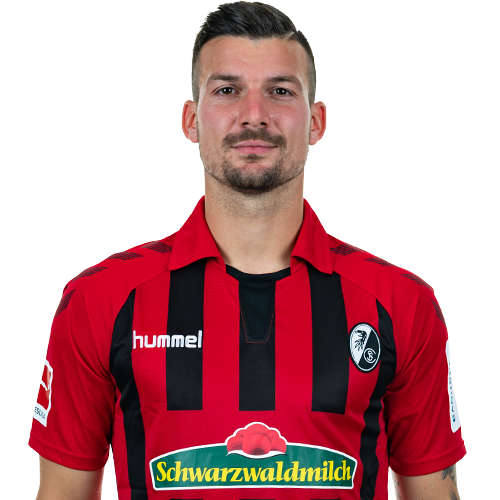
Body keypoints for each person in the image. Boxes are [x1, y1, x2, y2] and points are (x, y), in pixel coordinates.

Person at [30, 2, 466, 499]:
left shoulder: (402, 304)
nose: (254, 115)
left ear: (316, 122)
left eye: (280, 91)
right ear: (191, 120)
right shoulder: (99, 301)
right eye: (227, 90)